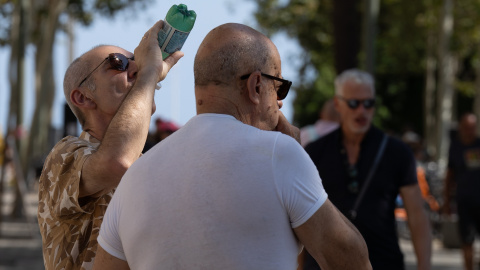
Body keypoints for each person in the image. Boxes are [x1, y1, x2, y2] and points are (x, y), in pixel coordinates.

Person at [92, 23, 371, 270]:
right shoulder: (280, 154)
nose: (281, 103)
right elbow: (352, 262)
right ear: (256, 86)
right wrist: (295, 157)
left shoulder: (135, 176)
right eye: (280, 88)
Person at [37, 20, 183, 270]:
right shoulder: (65, 154)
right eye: (119, 63)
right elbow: (117, 162)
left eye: (136, 61)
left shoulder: (151, 165)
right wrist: (148, 73)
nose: (136, 68)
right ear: (82, 97)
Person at [303, 69, 432, 270]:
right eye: (353, 103)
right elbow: (301, 217)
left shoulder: (398, 152)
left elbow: (416, 215)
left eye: (368, 103)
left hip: (383, 262)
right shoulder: (314, 152)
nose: (361, 111)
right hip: (325, 264)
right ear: (338, 104)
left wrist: (424, 266)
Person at [443, 112, 480, 270]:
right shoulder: (455, 147)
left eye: (472, 127)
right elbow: (449, 176)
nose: (469, 130)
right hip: (464, 201)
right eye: (466, 127)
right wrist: (446, 202)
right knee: (467, 242)